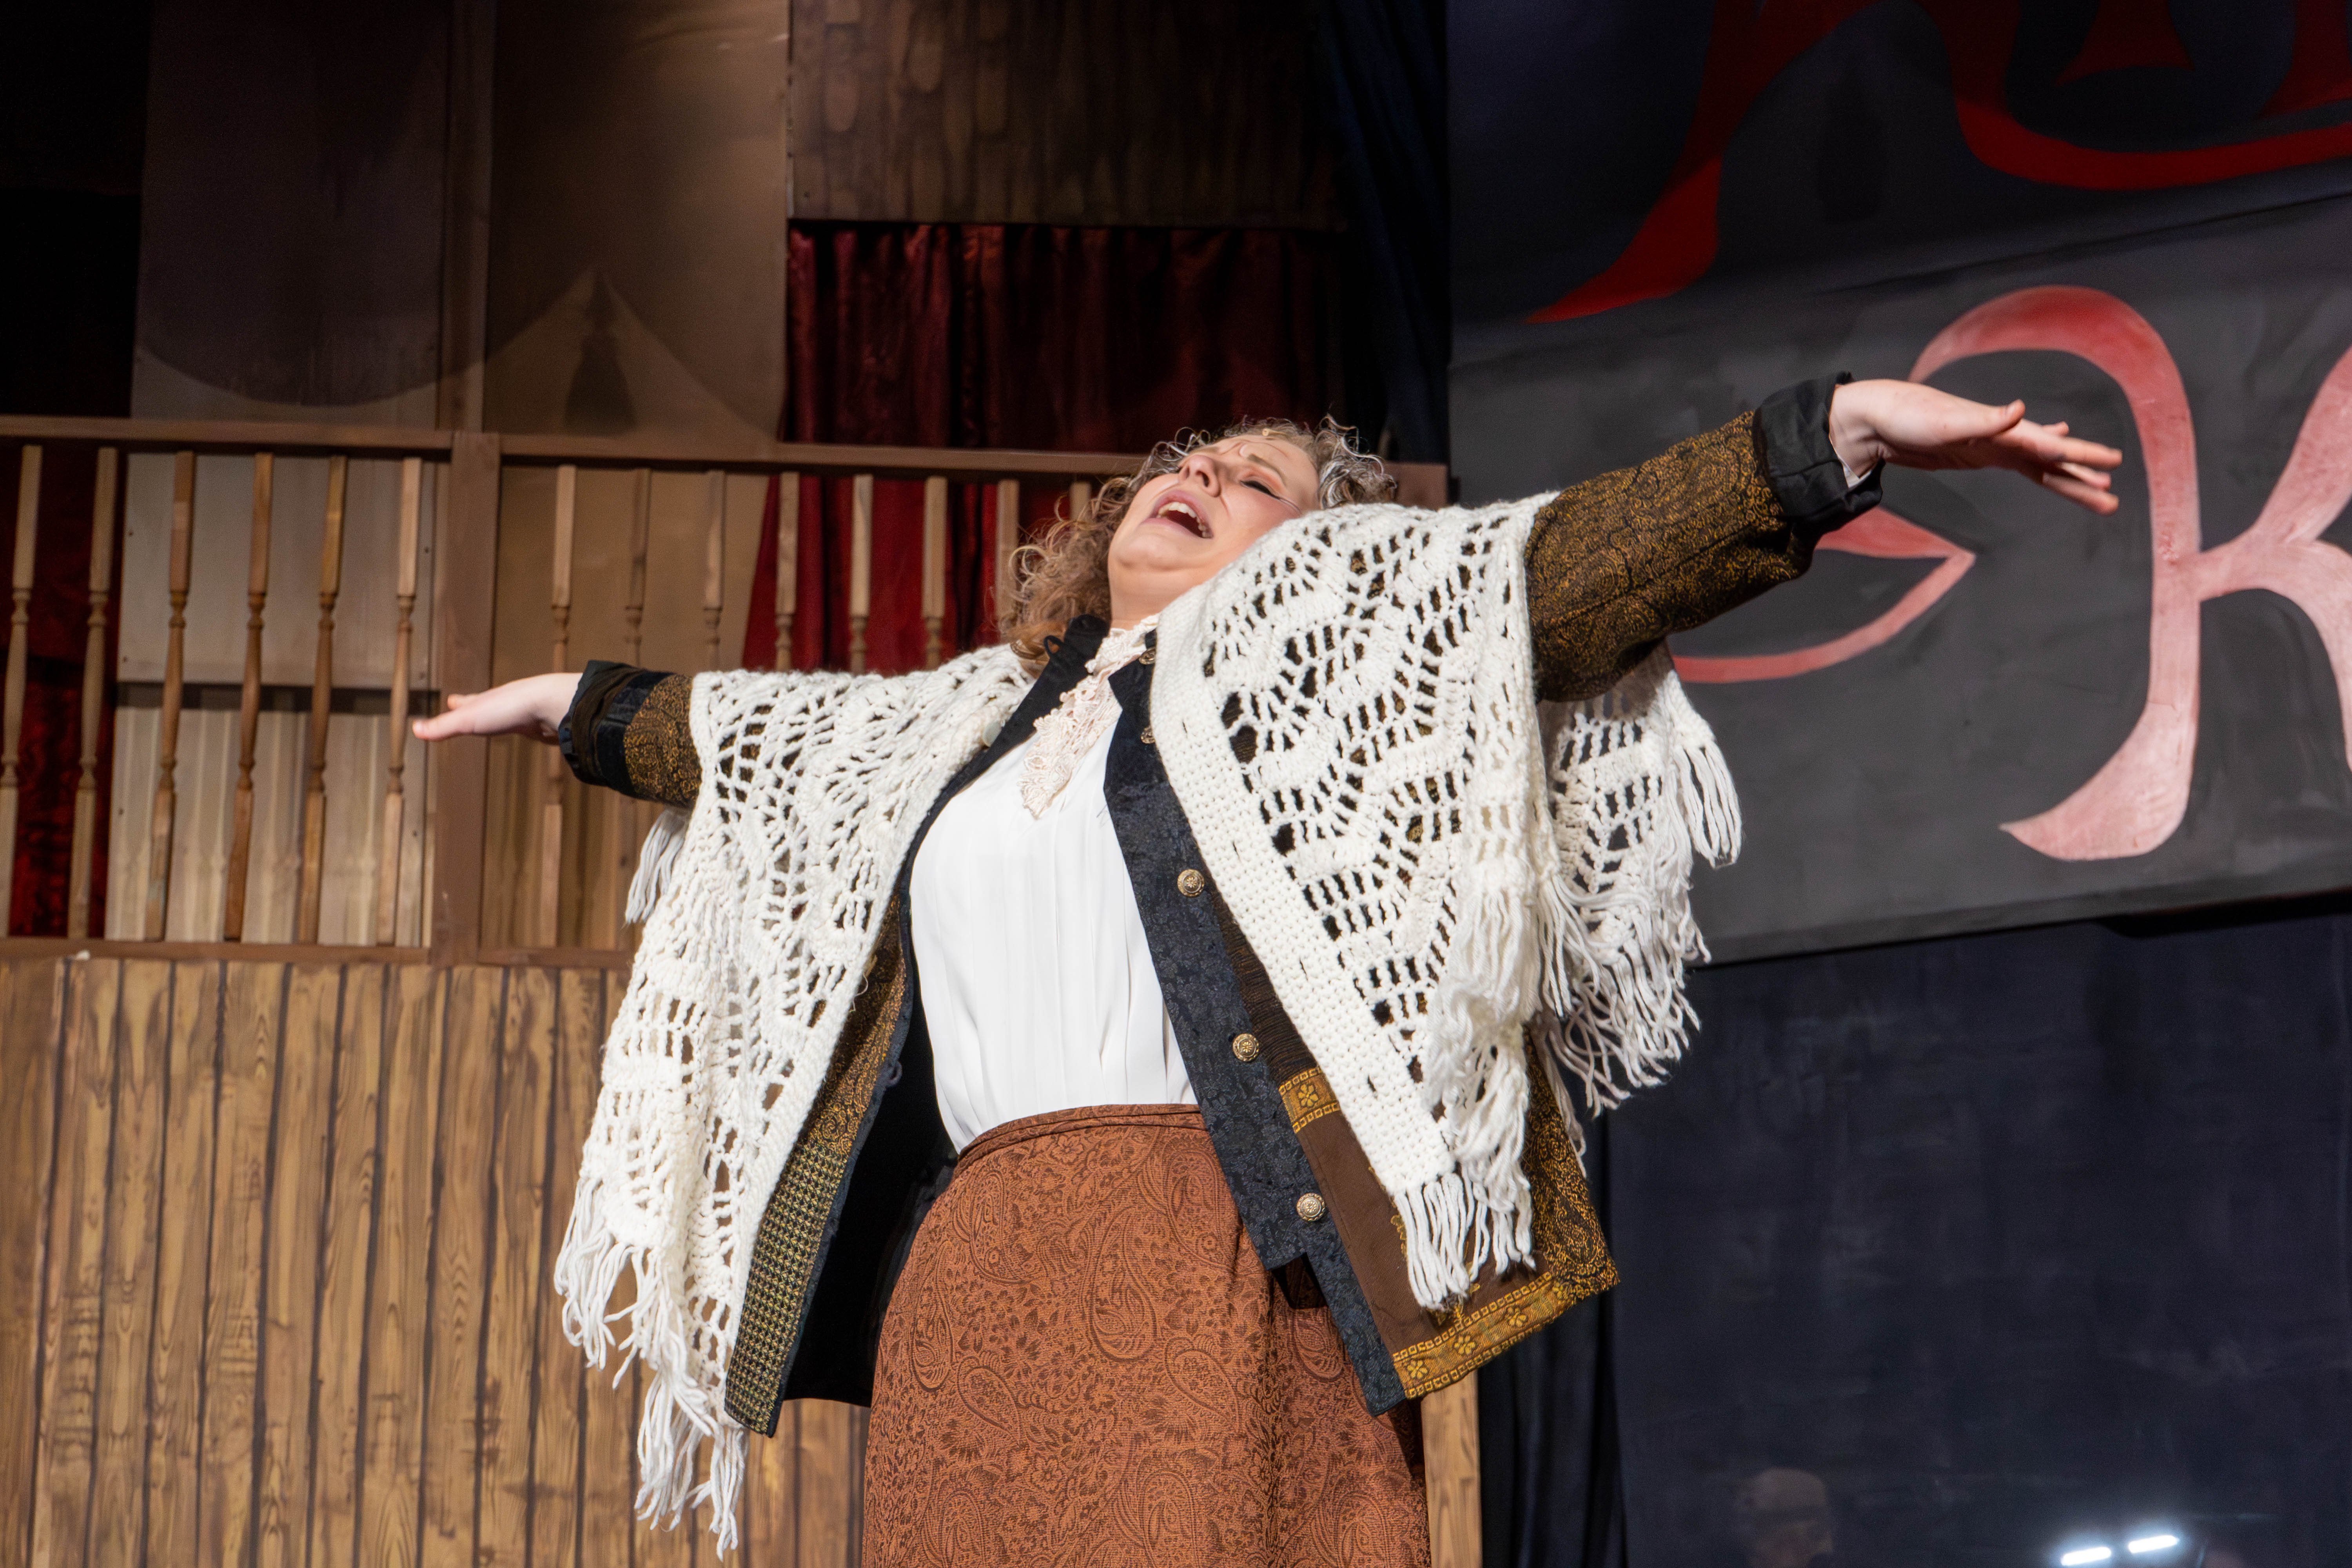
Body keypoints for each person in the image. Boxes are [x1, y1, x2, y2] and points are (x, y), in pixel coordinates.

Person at [418, 376, 2118, 1566]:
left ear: (1324, 559)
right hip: (979, 1280)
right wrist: (572, 703)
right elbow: (757, 735)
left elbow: (1575, 562)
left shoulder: (1340, 672)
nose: (1205, 477)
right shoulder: (953, 717)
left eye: (1260, 484)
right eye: (1193, 458)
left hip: (1218, 1244)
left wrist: (1831, 441)